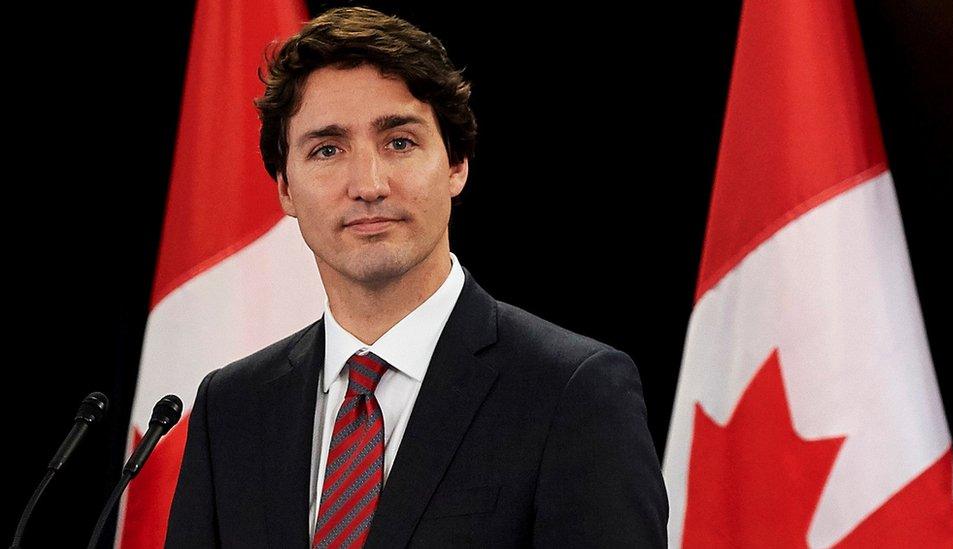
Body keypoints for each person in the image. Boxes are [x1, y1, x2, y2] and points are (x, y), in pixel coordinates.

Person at [165, 6, 667, 548]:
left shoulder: (573, 391)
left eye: (399, 142)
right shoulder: (232, 407)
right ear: (285, 189)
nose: (368, 184)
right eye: (327, 150)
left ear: (457, 165)